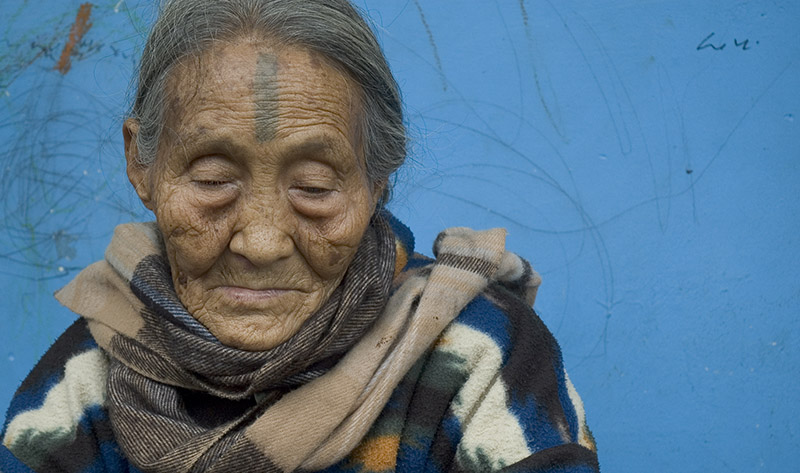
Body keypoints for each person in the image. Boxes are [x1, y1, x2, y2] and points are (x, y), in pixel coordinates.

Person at [1, 0, 599, 471]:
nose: (261, 244)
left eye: (313, 187)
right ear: (142, 165)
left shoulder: (477, 360)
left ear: (377, 180)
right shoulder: (82, 386)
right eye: (213, 180)